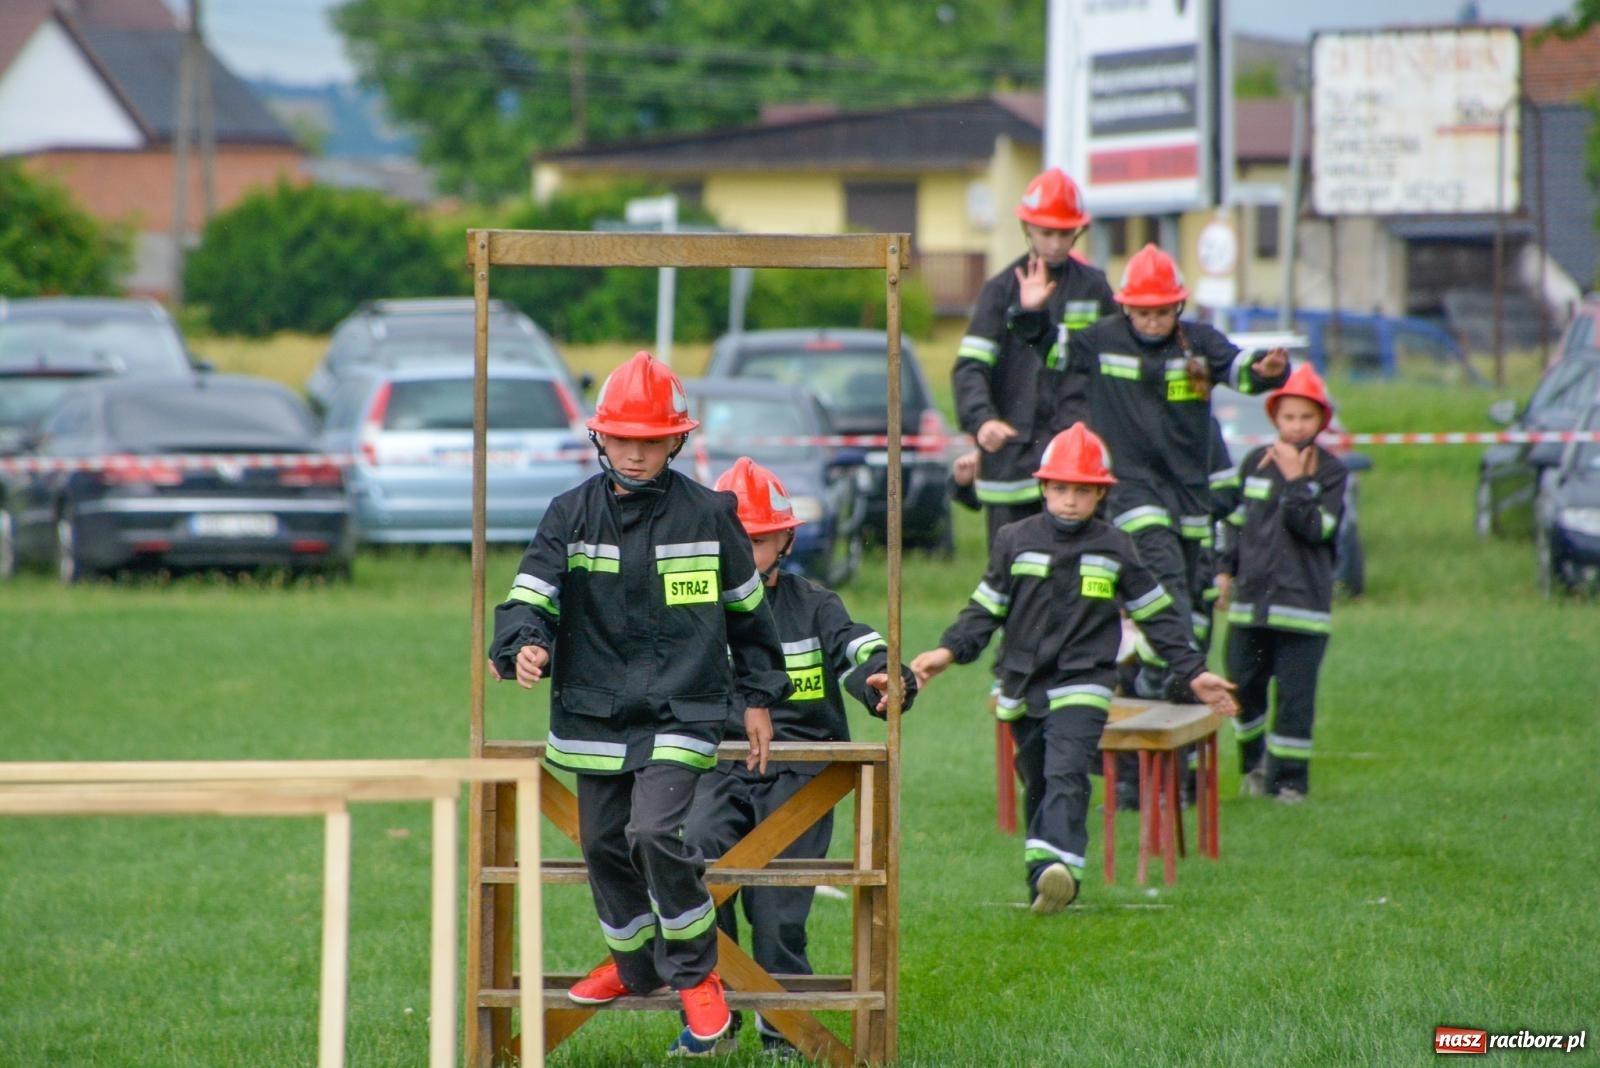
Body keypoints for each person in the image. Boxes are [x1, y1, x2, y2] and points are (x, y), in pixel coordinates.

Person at [487, 351, 791, 1056]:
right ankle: (633, 969)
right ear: (599, 438)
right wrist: (525, 644)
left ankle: (696, 976)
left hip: (684, 709)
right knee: (600, 843)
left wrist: (755, 697)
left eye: (650, 440)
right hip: (594, 716)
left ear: (676, 440)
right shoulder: (569, 513)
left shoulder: (711, 515)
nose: (634, 452)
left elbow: (750, 616)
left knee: (653, 834)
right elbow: (531, 593)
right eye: (621, 438)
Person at [910, 424, 1238, 913]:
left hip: (1085, 681)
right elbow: (985, 609)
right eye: (1060, 488)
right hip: (1021, 683)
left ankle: (1063, 869)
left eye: (1082, 491)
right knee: (1039, 781)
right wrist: (947, 652)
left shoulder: (1117, 548)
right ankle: (1044, 878)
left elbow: (1158, 617)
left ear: (1100, 493)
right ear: (1043, 488)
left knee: (1067, 774)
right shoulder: (1013, 539)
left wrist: (1194, 671)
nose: (1069, 500)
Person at [681, 456, 917, 1058]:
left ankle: (781, 1022)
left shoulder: (814, 604)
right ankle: (719, 1014)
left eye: (756, 540)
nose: (742, 551)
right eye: (729, 540)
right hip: (718, 765)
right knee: (702, 876)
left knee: (779, 906)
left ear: (785, 539)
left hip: (802, 773)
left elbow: (855, 643)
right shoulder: (691, 605)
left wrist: (881, 674)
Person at [1057, 243, 1289, 699]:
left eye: (1161, 313)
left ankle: (1156, 676)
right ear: (1125, 309)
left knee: (1183, 587)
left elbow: (1243, 370)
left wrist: (1268, 371)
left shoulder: (1199, 344)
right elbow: (1048, 349)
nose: (1150, 322)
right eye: (1141, 313)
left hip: (1188, 492)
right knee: (1163, 575)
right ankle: (1165, 670)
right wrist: (1027, 313)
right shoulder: (1102, 339)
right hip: (1130, 489)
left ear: (1178, 307)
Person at [953, 167, 1117, 547]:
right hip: (1012, 461)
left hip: (1080, 459)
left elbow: (1111, 365)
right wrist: (983, 421)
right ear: (1028, 228)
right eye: (1047, 232)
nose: (1057, 243)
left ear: (1077, 231)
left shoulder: (1095, 288)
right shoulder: (1000, 290)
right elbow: (970, 367)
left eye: (1064, 233)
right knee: (1015, 574)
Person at [1216, 364, 1348, 804]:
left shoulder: (1330, 472)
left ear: (1320, 422)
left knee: (1294, 700)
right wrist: (1222, 570)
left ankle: (1289, 783)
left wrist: (1296, 481)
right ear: (1276, 418)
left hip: (1303, 611)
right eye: (1289, 417)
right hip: (1251, 606)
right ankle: (1254, 765)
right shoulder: (1254, 463)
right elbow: (1234, 523)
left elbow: (1318, 528)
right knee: (1242, 687)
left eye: (1305, 418)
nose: (1296, 426)